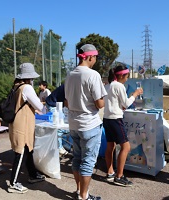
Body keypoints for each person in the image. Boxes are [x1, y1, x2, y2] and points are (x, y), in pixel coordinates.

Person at [65, 44, 106, 200]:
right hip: (89, 124)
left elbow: (67, 102)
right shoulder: (93, 75)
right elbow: (100, 104)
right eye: (95, 57)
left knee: (77, 158)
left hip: (73, 123)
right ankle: (84, 196)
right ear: (90, 57)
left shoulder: (69, 74)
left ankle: (79, 191)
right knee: (88, 162)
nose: (95, 60)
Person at [8, 63, 45, 194]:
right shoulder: (27, 88)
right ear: (29, 77)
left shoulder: (16, 86)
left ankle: (33, 175)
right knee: (21, 151)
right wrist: (44, 105)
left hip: (18, 122)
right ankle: (13, 183)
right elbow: (39, 106)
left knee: (28, 149)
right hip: (22, 124)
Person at [103, 65, 143, 187]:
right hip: (116, 119)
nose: (127, 79)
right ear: (121, 75)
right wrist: (135, 94)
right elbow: (126, 103)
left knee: (110, 146)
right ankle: (119, 176)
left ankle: (110, 172)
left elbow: (116, 103)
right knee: (126, 147)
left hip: (107, 119)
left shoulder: (107, 86)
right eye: (127, 76)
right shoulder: (119, 86)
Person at [45, 84, 69, 155]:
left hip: (57, 104)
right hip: (52, 104)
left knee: (61, 124)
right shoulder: (68, 87)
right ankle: (59, 148)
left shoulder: (70, 84)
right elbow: (67, 103)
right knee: (58, 126)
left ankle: (60, 145)